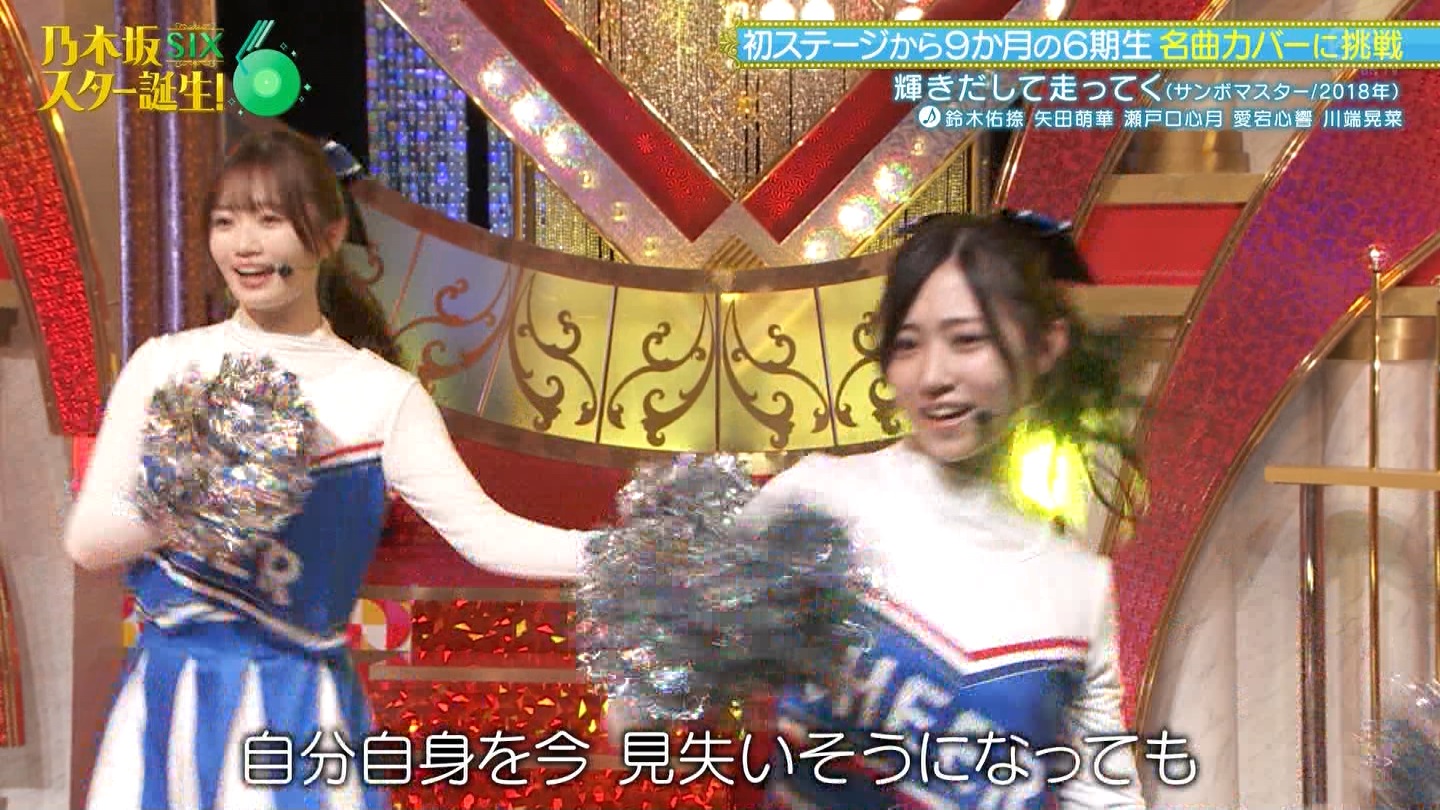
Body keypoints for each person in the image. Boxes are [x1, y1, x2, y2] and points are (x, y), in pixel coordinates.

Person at [63, 130, 588, 810]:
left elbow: (488, 536)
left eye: (269, 220)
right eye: (225, 222)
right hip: (167, 706)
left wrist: (632, 555)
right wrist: (217, 487)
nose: (244, 245)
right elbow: (88, 542)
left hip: (299, 709)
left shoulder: (380, 394)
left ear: (330, 234)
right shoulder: (166, 364)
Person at [617, 211, 1146, 809]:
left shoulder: (1078, 586)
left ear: (1045, 345)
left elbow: (1105, 796)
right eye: (908, 345)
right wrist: (689, 645)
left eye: (967, 340)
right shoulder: (818, 502)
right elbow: (637, 721)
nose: (933, 376)